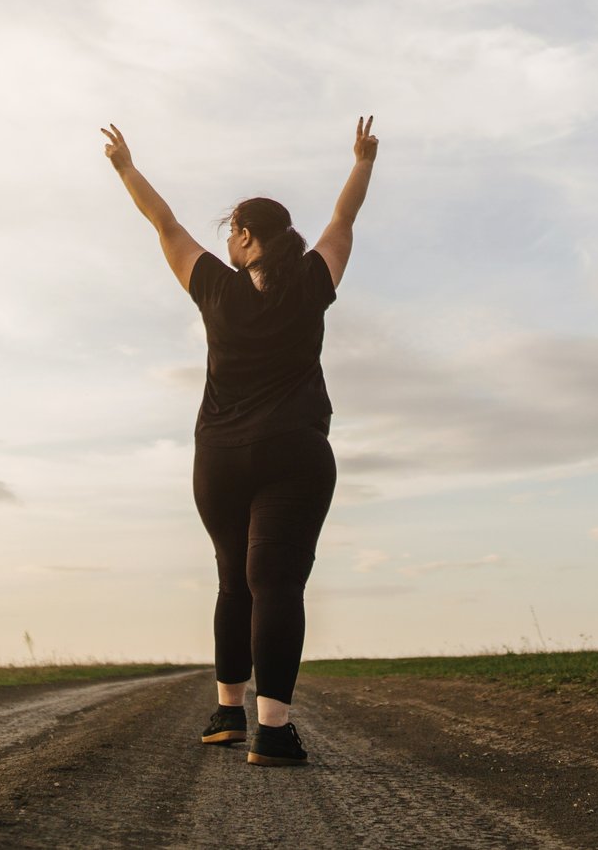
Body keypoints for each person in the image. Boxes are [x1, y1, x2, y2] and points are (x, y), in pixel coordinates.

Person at [101, 116, 378, 767]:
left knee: (235, 581)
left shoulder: (216, 289)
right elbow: (344, 219)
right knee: (276, 581)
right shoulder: (313, 283)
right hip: (292, 453)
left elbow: (163, 223)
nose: (226, 237)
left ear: (247, 237)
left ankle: (227, 711)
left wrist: (125, 168)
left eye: (231, 228)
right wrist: (363, 160)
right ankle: (271, 730)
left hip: (219, 460)